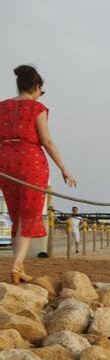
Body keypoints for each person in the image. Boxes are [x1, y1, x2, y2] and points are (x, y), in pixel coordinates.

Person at [0, 65, 76, 284]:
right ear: (37, 87)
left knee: (17, 216)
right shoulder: (36, 108)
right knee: (29, 214)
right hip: (30, 162)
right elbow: (47, 141)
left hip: (5, 162)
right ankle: (15, 265)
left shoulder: (2, 107)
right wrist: (63, 168)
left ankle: (19, 267)